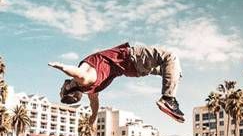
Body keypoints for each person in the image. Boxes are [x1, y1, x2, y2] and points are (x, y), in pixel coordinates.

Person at [49, 42, 184, 124]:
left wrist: (93, 118)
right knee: (170, 57)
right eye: (61, 90)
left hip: (134, 70)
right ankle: (168, 99)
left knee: (173, 70)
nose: (60, 87)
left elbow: (94, 104)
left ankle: (172, 80)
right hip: (132, 58)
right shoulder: (86, 78)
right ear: (68, 87)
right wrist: (62, 67)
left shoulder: (91, 90)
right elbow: (78, 74)